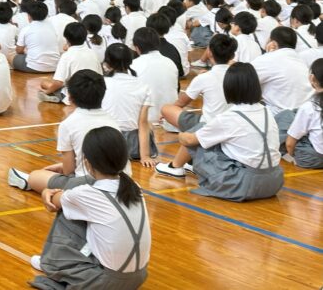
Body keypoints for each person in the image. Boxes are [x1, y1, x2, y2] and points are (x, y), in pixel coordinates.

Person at [30, 126, 150, 290]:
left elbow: (53, 202)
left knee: (66, 211)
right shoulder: (133, 186)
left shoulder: (87, 194)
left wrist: (45, 191)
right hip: (138, 278)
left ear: (87, 162)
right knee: (77, 209)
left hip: (104, 283)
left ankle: (52, 262)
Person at [163, 63, 284, 201]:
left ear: (228, 88)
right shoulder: (266, 111)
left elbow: (190, 141)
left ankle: (174, 167)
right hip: (274, 181)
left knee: (198, 131)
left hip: (244, 185)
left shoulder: (230, 116)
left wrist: (181, 135)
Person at [9, 70, 125, 193]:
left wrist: (65, 169)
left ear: (70, 97)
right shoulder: (113, 121)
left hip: (89, 182)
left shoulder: (68, 124)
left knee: (35, 176)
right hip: (120, 179)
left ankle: (34, 183)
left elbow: (69, 171)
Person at [156, 34, 237, 178]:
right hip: (234, 125)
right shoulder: (240, 75)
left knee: (167, 109)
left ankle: (176, 166)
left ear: (210, 52)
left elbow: (181, 103)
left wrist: (164, 115)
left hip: (210, 126)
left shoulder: (205, 78)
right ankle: (191, 159)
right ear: (232, 54)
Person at [101, 44, 156, 165]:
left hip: (104, 142)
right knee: (148, 123)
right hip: (132, 146)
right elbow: (142, 123)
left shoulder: (100, 83)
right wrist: (145, 156)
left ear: (107, 62)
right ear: (130, 61)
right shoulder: (143, 86)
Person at [38, 22, 102, 104]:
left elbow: (59, 82)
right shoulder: (92, 53)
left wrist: (46, 92)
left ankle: (56, 96)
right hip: (93, 92)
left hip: (75, 95)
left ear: (66, 38)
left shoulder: (67, 56)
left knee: (44, 83)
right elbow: (100, 75)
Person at [284, 58, 323, 168]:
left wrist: (293, 156)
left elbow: (289, 144)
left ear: (312, 78)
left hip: (313, 159)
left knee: (285, 119)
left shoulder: (309, 107)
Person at [14, 1, 59, 73]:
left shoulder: (26, 29)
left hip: (34, 67)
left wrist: (26, 50)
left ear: (29, 16)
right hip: (55, 66)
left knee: (11, 57)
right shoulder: (52, 26)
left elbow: (18, 50)